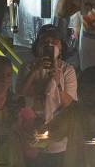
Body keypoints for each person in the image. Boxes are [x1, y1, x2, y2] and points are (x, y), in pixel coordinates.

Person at [41, 66, 95, 167]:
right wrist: (38, 136)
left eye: (92, 91)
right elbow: (54, 131)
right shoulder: (73, 111)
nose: (86, 95)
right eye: (83, 90)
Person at [16, 25, 77, 165]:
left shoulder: (67, 70)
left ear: (61, 47)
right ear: (37, 46)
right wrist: (35, 71)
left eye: (54, 41)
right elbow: (20, 94)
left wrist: (57, 82)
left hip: (58, 138)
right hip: (31, 135)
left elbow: (69, 104)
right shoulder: (27, 67)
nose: (49, 44)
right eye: (44, 41)